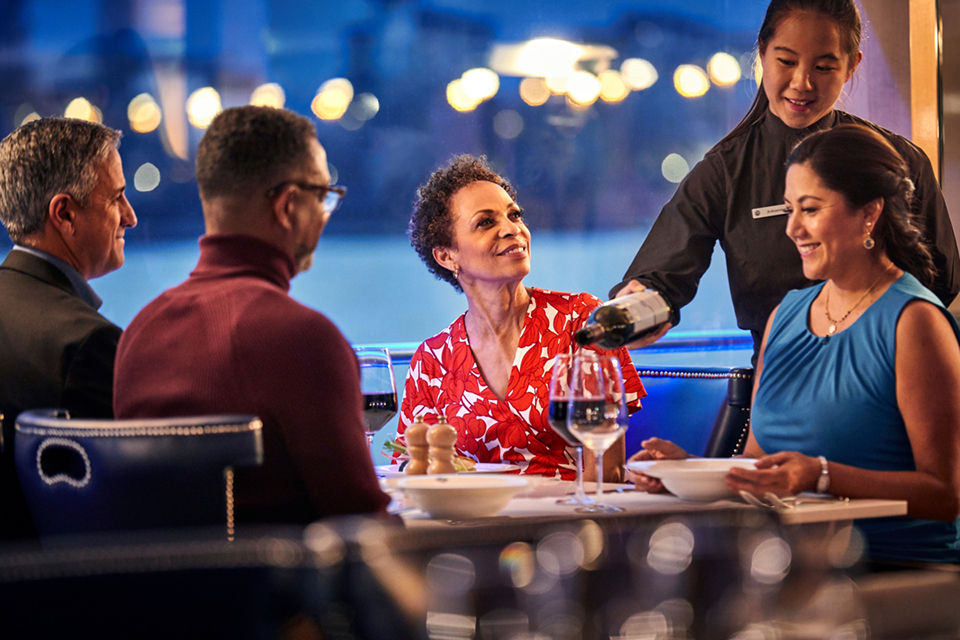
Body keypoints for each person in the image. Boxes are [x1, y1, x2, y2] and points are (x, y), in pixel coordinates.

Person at [630, 124, 960, 563]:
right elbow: (761, 467)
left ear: (869, 213)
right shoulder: (786, 314)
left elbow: (945, 493)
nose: (792, 229)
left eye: (810, 209)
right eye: (789, 209)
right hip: (790, 565)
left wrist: (821, 476)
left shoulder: (914, 321)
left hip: (895, 569)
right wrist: (686, 472)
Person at [611, 0, 960, 360]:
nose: (802, 82)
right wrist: (640, 304)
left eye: (824, 66)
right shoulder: (726, 171)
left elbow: (943, 288)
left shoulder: (900, 160)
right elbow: (659, 280)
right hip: (778, 384)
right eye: (787, 61)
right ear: (762, 53)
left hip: (889, 380)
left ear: (852, 66)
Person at [113, 106, 389, 524]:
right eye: (323, 197)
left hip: (158, 587)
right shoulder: (303, 339)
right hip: (286, 586)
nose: (325, 215)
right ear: (288, 206)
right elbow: (364, 528)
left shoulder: (140, 333)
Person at [397, 155, 646, 481]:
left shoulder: (580, 322)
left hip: (568, 522)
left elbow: (607, 468)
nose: (512, 228)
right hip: (471, 526)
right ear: (447, 256)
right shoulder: (432, 361)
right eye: (486, 222)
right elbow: (413, 469)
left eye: (515, 215)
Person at [0, 117, 137, 540]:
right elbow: (126, 511)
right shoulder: (89, 345)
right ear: (64, 213)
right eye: (117, 198)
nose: (130, 217)